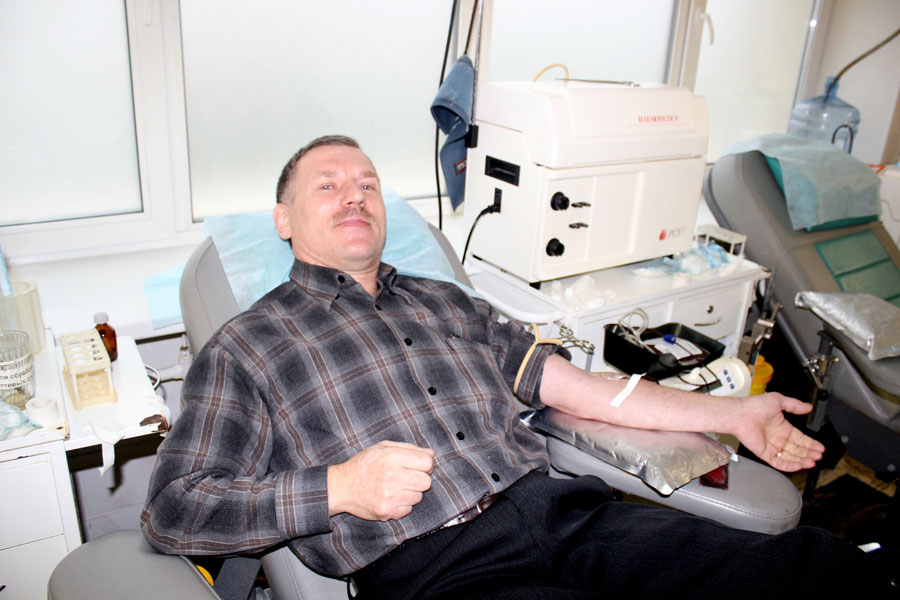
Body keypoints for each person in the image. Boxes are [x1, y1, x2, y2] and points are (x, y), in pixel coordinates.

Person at [142, 135, 889, 599]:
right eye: (327, 185)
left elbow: (588, 394)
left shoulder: (447, 301)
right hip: (436, 567)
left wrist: (735, 413)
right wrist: (342, 487)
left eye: (367, 184)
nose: (355, 197)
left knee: (813, 569)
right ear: (283, 220)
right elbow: (174, 510)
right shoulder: (248, 346)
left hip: (569, 516)